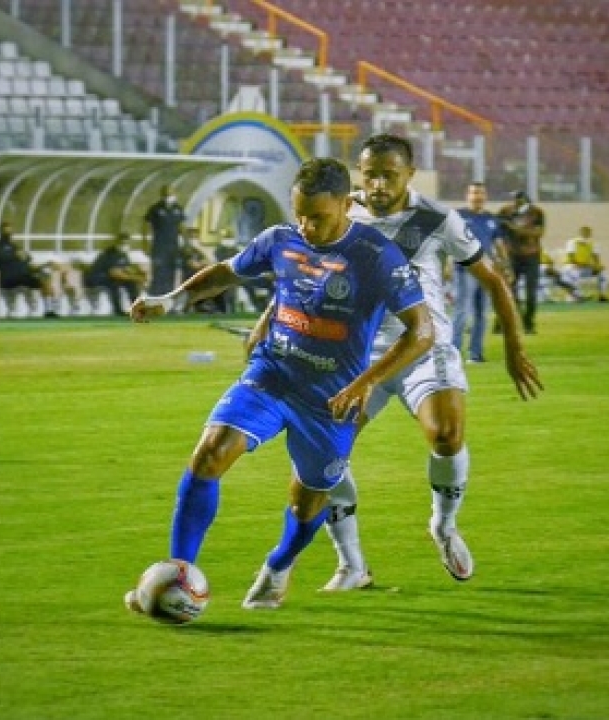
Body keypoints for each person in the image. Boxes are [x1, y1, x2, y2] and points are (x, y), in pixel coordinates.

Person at [124, 158, 435, 611]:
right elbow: (229, 270)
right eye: (300, 214)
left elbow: (421, 331)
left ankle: (278, 565)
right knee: (210, 451)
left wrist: (367, 382)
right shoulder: (279, 240)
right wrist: (172, 300)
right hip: (272, 375)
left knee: (307, 503)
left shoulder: (375, 255)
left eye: (319, 216)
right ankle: (179, 574)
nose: (307, 226)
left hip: (330, 401)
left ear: (346, 205)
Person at [250, 134, 542, 592]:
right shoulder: (345, 211)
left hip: (424, 347)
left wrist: (513, 349)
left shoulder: (436, 219)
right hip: (355, 355)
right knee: (325, 454)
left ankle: (443, 526)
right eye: (371, 174)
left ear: (410, 174)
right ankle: (351, 564)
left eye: (390, 174)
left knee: (446, 435)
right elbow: (306, 266)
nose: (380, 183)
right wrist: (270, 316)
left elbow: (493, 278)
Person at [452, 181, 507, 363]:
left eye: (481, 193)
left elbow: (498, 244)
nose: (478, 197)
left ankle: (476, 354)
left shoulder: (491, 219)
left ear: (486, 197)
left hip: (487, 270)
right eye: (474, 193)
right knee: (462, 312)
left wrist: (504, 265)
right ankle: (454, 354)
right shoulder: (458, 216)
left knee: (481, 313)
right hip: (465, 269)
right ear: (467, 196)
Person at [0, 220, 58, 318]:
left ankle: (49, 310)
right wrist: (14, 256)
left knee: (45, 281)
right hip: (9, 278)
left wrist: (45, 265)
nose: (8, 233)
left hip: (24, 276)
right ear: (1, 232)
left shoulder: (15, 246)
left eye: (10, 231)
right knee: (34, 277)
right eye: (6, 231)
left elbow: (29, 262)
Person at [497, 190, 546, 334]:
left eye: (518, 201)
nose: (515, 203)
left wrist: (515, 228)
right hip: (512, 255)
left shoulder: (537, 213)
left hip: (532, 256)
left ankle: (529, 322)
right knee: (508, 291)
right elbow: (497, 231)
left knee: (531, 293)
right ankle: (504, 322)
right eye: (513, 200)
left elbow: (539, 233)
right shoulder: (505, 211)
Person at [84, 232, 147, 316]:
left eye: (127, 242)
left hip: (109, 277)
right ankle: (118, 310)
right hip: (96, 278)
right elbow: (115, 273)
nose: (126, 245)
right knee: (114, 283)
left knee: (131, 283)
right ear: (118, 242)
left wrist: (140, 276)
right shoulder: (111, 254)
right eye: (123, 242)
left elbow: (127, 269)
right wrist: (136, 278)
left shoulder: (123, 255)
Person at [143, 184, 185, 296]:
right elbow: (147, 227)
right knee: (159, 273)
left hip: (173, 247)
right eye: (166, 194)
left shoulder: (178, 208)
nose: (169, 196)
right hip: (159, 246)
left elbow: (181, 226)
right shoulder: (155, 209)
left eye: (171, 193)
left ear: (175, 194)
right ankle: (155, 298)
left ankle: (168, 298)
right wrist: (146, 244)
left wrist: (185, 243)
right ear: (162, 195)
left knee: (171, 273)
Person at [560, 226, 609, 302]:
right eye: (584, 232)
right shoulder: (572, 242)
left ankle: (602, 295)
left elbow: (596, 257)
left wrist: (598, 266)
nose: (586, 234)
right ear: (580, 233)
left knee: (603, 274)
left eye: (588, 232)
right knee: (574, 274)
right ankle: (575, 296)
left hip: (585, 267)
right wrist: (581, 265)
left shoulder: (592, 244)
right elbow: (571, 258)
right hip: (571, 266)